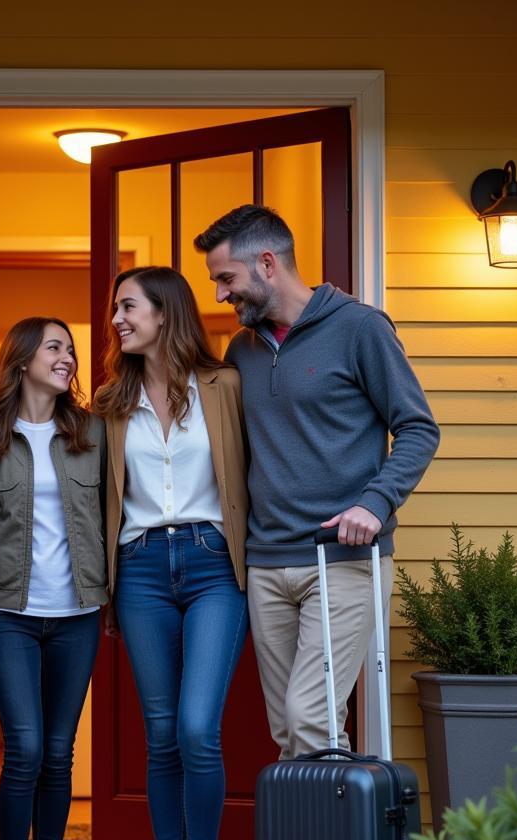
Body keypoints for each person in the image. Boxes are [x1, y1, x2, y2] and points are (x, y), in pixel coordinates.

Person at [194, 203, 440, 761]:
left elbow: (418, 428)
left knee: (313, 717)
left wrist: (374, 505)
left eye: (225, 279)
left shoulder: (360, 328)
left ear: (266, 263)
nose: (219, 295)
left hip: (343, 558)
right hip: (266, 561)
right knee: (291, 729)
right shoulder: (244, 349)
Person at [94, 266, 249, 840]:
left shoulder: (224, 387)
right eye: (116, 309)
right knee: (159, 734)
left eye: (128, 306)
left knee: (196, 728)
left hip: (214, 561)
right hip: (141, 568)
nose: (117, 319)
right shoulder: (108, 402)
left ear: (166, 312)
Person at [0, 317, 107, 840]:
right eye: (56, 348)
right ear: (22, 360)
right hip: (9, 614)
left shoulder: (93, 433)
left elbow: (114, 513)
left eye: (70, 350)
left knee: (58, 750)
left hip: (78, 613)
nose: (68, 358)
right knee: (22, 748)